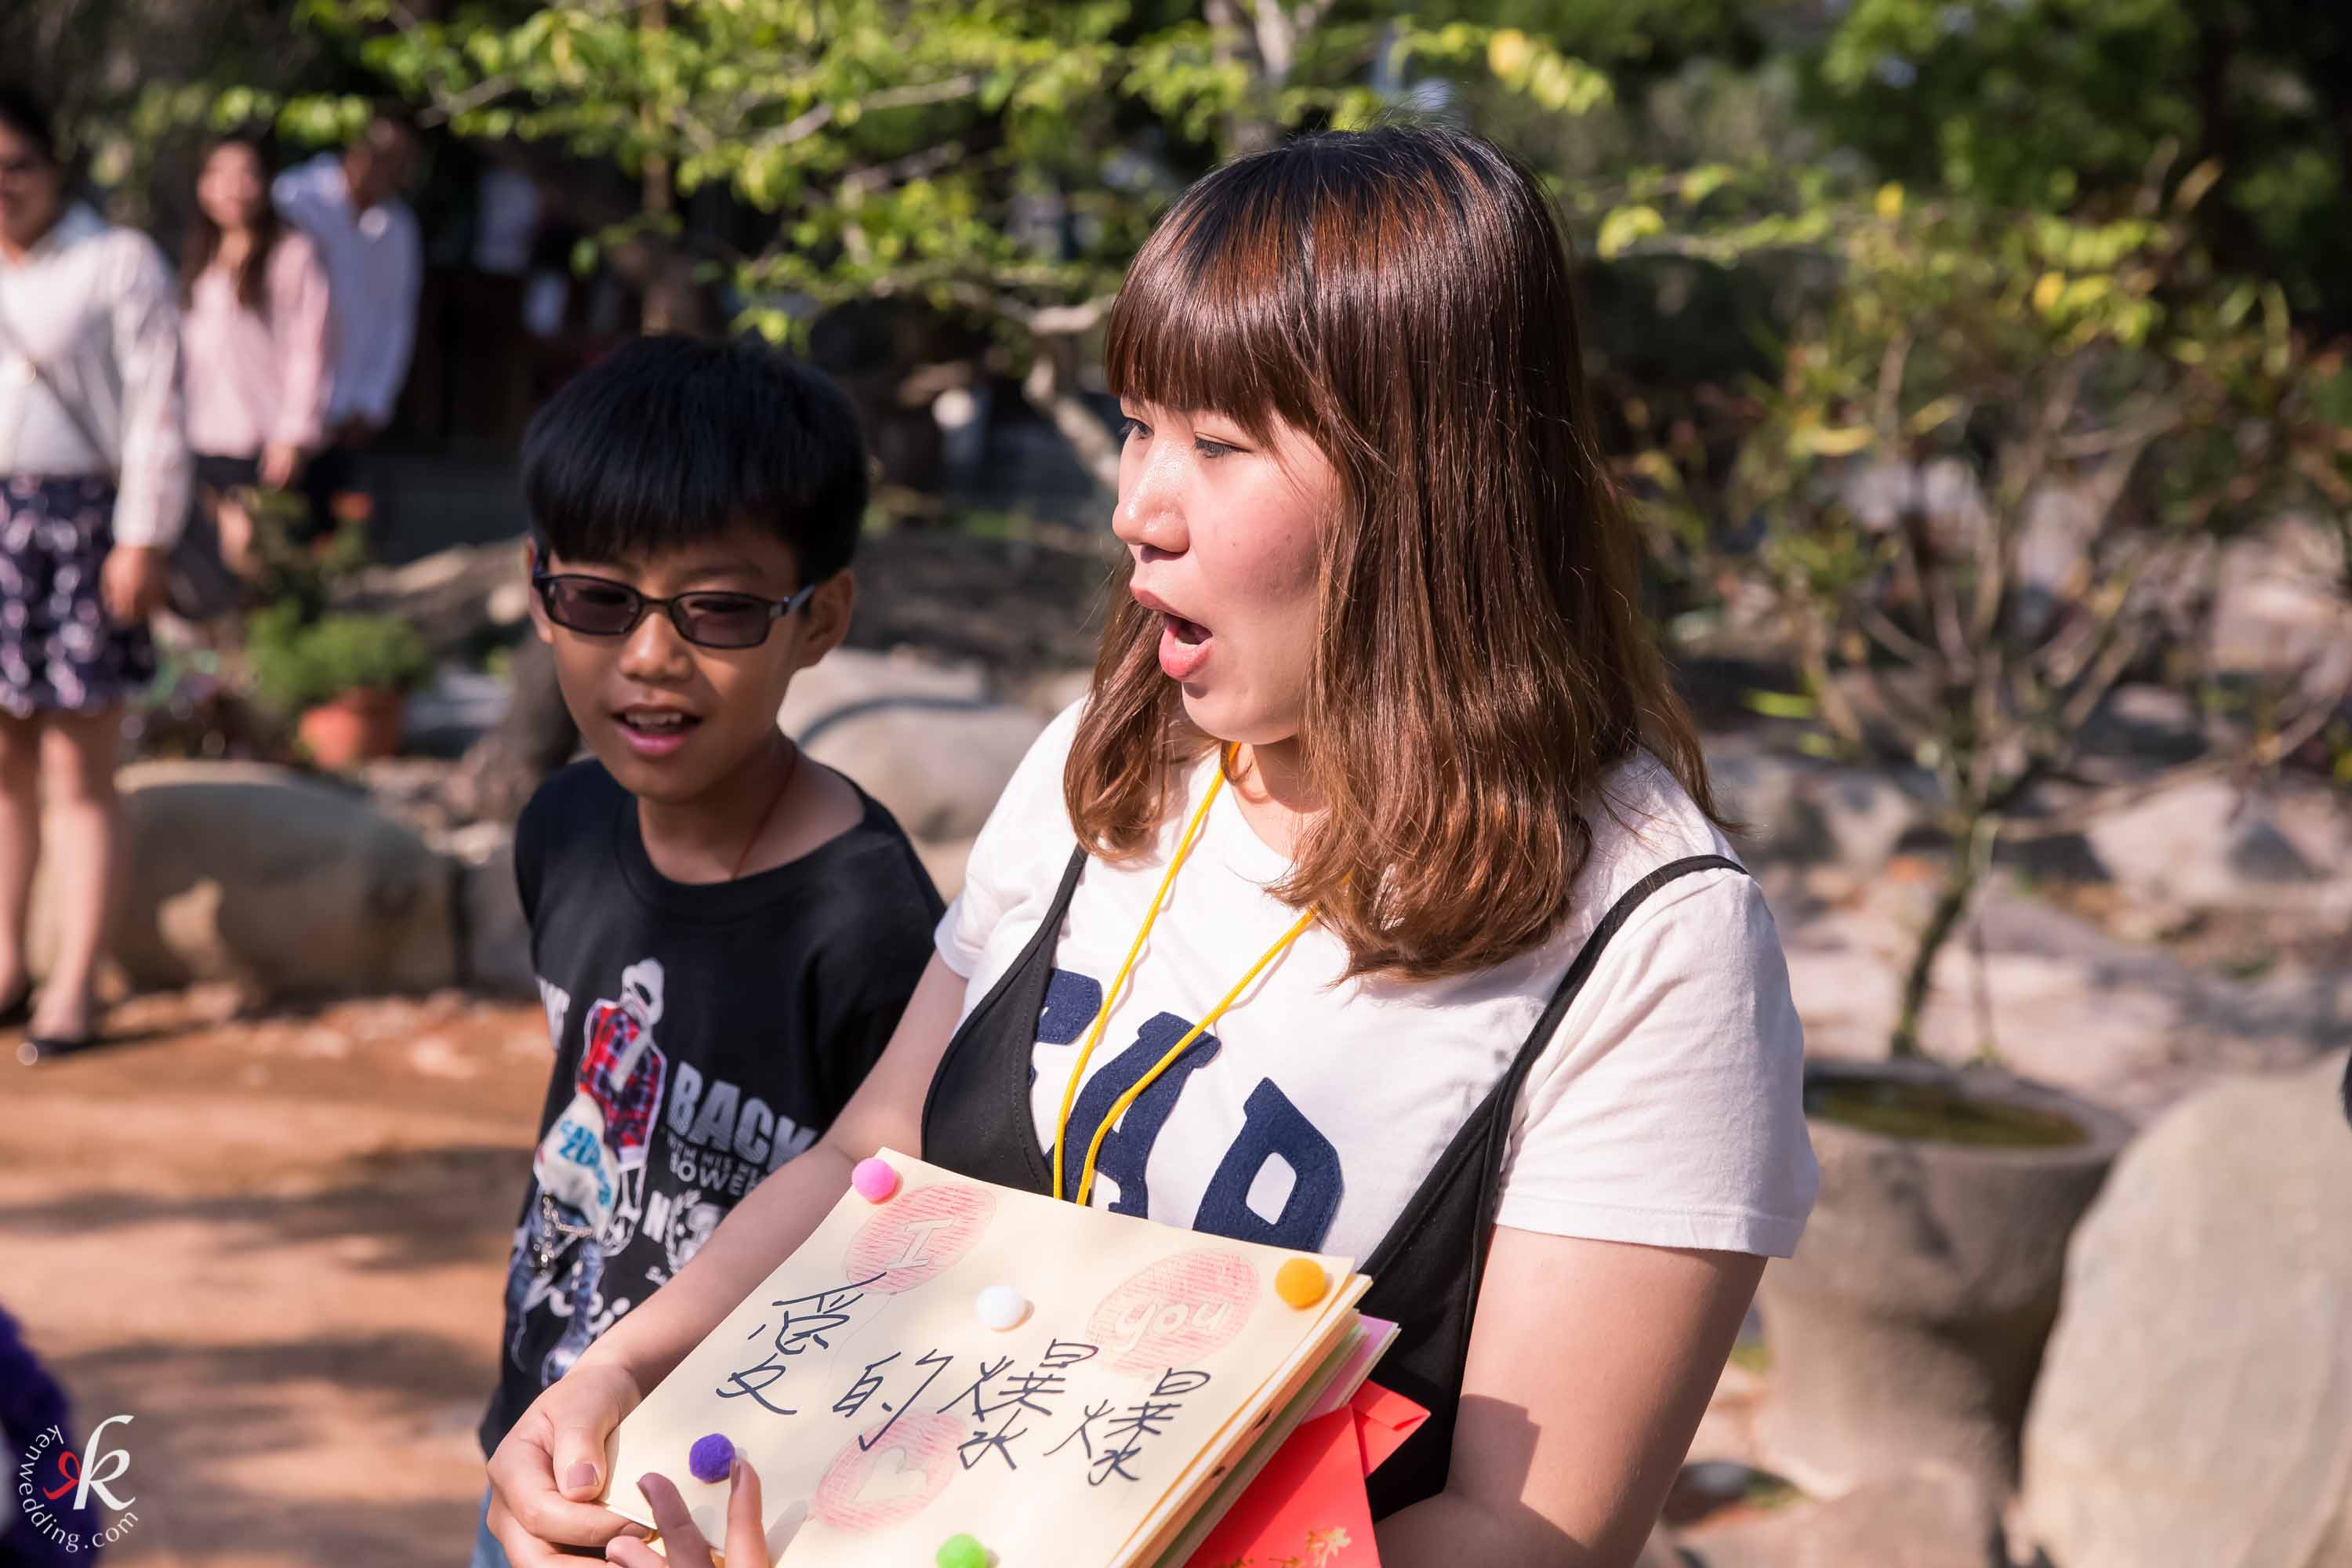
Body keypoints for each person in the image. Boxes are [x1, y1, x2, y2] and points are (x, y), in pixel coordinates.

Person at [485, 125, 1820, 1568]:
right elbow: (875, 1150)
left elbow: (1527, 1533)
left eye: (1220, 446)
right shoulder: (1104, 759)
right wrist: (625, 1372)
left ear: (1436, 488)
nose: (1137, 510)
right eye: (1137, 425)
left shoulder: (1652, 943)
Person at [467, 333, 946, 1568]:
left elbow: (900, 1224)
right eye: (599, 598)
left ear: (819, 618)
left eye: (719, 609)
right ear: (539, 592)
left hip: (735, 1508)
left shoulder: (872, 920)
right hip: (538, 1443)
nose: (649, 656)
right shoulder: (563, 829)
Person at [0, 85, 189, 1062]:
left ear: (54, 164)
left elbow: (160, 403)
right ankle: (6, 966)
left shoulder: (117, 261)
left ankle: (74, 985)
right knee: (2, 765)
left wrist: (143, 536)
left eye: (17, 165)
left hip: (82, 529)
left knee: (78, 767)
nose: (3, 186)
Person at [179, 134, 332, 569]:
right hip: (201, 433)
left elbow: (310, 350)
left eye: (245, 174)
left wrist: (293, 434)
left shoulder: (293, 254)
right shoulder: (201, 255)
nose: (232, 187)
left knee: (256, 565)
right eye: (219, 174)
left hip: (261, 439)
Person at [270, 113, 419, 540]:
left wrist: (372, 399)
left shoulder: (397, 228)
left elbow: (395, 319)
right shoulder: (296, 198)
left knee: (328, 534)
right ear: (357, 154)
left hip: (346, 407)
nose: (393, 176)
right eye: (386, 162)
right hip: (278, 400)